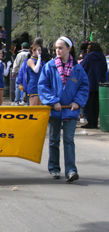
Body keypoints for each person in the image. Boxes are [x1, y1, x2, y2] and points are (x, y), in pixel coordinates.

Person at [38, 36, 89, 182]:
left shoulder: (78, 69)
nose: (57, 50)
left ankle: (71, 170)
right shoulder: (50, 66)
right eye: (56, 48)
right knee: (54, 140)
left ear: (69, 49)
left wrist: (77, 102)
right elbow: (43, 86)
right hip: (55, 110)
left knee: (68, 140)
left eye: (60, 48)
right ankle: (54, 168)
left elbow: (84, 87)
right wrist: (53, 102)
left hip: (71, 110)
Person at [80, 42, 108, 129]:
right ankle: (95, 122)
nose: (87, 50)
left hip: (90, 83)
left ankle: (90, 122)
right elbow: (105, 68)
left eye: (88, 49)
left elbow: (82, 67)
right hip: (100, 84)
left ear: (91, 49)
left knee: (89, 104)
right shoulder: (102, 56)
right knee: (96, 105)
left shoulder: (89, 57)